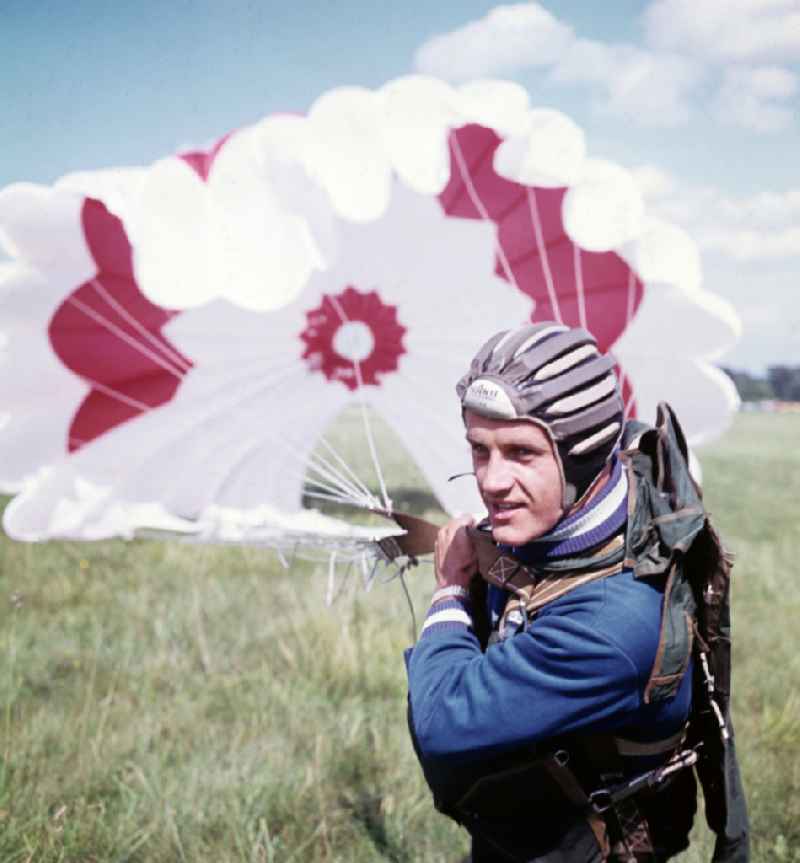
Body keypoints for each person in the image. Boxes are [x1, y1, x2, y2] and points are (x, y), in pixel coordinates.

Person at [405, 322, 748, 862]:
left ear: (582, 457)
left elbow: (443, 724)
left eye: (521, 453)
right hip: (526, 817)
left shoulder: (615, 623)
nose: (491, 481)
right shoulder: (570, 520)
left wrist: (450, 591)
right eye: (479, 450)